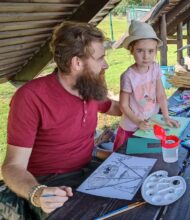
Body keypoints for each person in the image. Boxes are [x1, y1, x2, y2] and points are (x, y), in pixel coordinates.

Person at [1, 21, 121, 219]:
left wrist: (140, 105)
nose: (105, 64)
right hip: (51, 185)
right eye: (100, 58)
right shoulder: (31, 97)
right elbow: (12, 167)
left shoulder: (88, 88)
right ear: (77, 63)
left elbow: (114, 107)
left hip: (88, 170)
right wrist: (37, 193)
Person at [113, 20, 179, 150]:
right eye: (140, 50)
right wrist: (138, 122)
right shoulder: (128, 76)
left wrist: (166, 116)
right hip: (131, 128)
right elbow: (123, 105)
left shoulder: (155, 68)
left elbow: (161, 94)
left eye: (150, 51)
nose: (146, 56)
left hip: (150, 122)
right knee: (130, 156)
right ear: (131, 50)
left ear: (156, 51)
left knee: (149, 153)